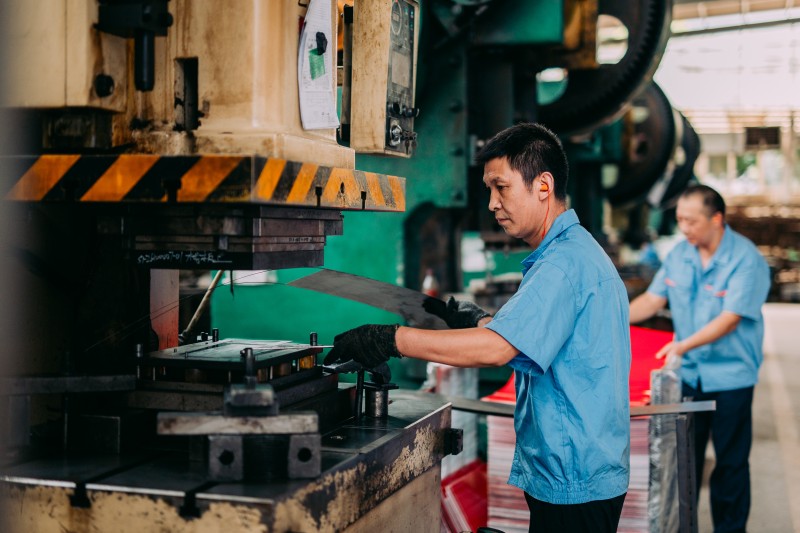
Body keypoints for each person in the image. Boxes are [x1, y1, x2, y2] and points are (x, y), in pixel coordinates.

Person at [324, 123, 632, 533]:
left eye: (501, 187)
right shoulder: (572, 253)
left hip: (576, 475)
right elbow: (531, 344)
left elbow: (498, 350)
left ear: (543, 185)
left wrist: (390, 339)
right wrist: (477, 320)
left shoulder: (562, 265)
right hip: (582, 468)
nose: (491, 203)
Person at [629, 184, 770, 533]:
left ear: (716, 219)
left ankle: (731, 529)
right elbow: (653, 300)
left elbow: (730, 318)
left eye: (691, 222)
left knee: (731, 463)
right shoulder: (680, 255)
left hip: (731, 379)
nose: (685, 229)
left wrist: (681, 345)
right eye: (680, 221)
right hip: (689, 377)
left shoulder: (746, 259)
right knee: (685, 461)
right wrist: (611, 319)